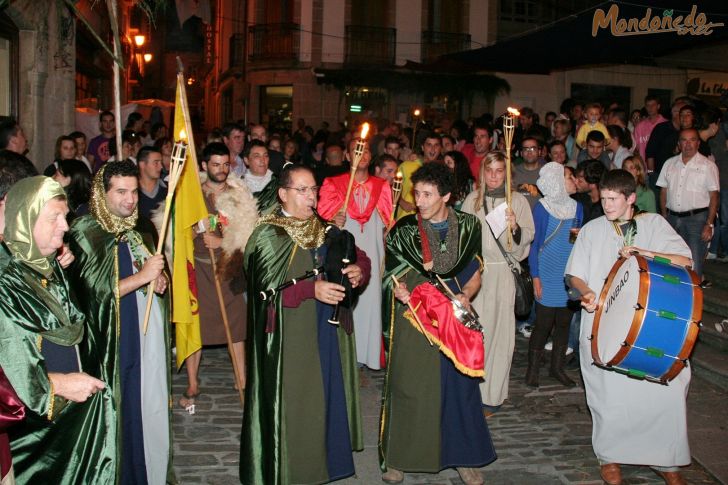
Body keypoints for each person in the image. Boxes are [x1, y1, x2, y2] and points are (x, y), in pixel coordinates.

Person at [240, 164, 370, 484]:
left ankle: (327, 464)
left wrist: (357, 270)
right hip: (289, 336)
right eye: (302, 190)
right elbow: (263, 293)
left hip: (326, 330)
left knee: (325, 397)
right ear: (283, 194)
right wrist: (310, 290)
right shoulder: (268, 235)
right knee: (297, 402)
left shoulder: (322, 229)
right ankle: (294, 470)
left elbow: (356, 254)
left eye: (314, 190)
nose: (311, 196)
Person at [565, 169, 693, 485]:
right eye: (604, 198)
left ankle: (665, 459)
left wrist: (645, 252)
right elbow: (573, 275)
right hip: (603, 324)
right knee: (610, 395)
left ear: (631, 198)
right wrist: (586, 292)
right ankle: (611, 456)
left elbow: (685, 261)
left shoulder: (653, 224)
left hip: (647, 324)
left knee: (662, 391)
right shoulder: (592, 230)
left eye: (613, 199)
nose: (606, 205)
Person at [380, 162, 495, 485]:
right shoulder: (404, 229)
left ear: (446, 195)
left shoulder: (469, 226)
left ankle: (464, 458)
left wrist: (468, 294)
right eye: (416, 193)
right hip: (415, 317)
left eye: (427, 194)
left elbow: (475, 270)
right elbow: (392, 272)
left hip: (452, 317)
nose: (419, 201)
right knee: (410, 385)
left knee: (458, 388)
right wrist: (398, 288)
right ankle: (400, 456)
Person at [0, 176, 114, 483]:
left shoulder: (45, 266)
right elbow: (11, 361)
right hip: (32, 431)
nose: (64, 227)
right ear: (25, 220)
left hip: (66, 421)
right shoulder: (6, 280)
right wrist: (56, 385)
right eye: (54, 217)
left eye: (65, 217)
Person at [68, 160, 173, 484]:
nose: (130, 200)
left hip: (142, 335)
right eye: (121, 192)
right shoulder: (86, 231)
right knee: (120, 406)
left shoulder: (134, 228)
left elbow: (149, 272)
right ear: (103, 192)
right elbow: (92, 295)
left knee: (143, 405)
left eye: (134, 192)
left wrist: (159, 282)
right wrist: (142, 278)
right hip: (110, 340)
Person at [179, 141, 258, 410]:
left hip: (227, 269)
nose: (222, 170)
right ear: (204, 166)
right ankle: (192, 382)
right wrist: (196, 228)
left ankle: (242, 379)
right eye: (216, 164)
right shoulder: (191, 195)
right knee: (195, 325)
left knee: (236, 326)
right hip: (199, 269)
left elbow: (247, 234)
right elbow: (177, 236)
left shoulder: (238, 194)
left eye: (226, 164)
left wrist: (222, 243)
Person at [461, 151, 534, 412]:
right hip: (476, 274)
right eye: (489, 170)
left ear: (507, 173)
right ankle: (471, 391)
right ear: (482, 172)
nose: (494, 176)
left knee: (500, 337)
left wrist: (514, 228)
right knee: (476, 333)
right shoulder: (472, 200)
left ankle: (491, 394)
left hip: (503, 273)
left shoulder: (519, 203)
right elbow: (463, 240)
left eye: (499, 171)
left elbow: (522, 245)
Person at [318, 137, 393, 370]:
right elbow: (322, 222)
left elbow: (386, 223)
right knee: (345, 299)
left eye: (367, 150)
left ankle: (365, 356)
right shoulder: (333, 183)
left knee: (369, 303)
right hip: (345, 250)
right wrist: (331, 219)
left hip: (371, 249)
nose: (362, 154)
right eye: (356, 151)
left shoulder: (382, 186)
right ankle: (343, 355)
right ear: (348, 157)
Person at [525, 162, 583, 388]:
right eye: (569, 176)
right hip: (546, 274)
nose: (574, 180)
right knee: (543, 323)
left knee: (564, 322)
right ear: (557, 181)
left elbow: (577, 242)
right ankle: (532, 370)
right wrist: (536, 276)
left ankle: (556, 368)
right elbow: (535, 243)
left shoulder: (577, 207)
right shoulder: (542, 207)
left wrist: (577, 273)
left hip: (567, 273)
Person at [657, 128, 719, 279]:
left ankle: (694, 297)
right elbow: (663, 191)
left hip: (697, 220)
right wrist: (664, 216)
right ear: (679, 143)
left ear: (698, 143)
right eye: (684, 140)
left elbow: (714, 197)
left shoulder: (708, 166)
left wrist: (709, 224)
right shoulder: (669, 163)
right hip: (672, 218)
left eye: (692, 140)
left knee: (694, 261)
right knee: (671, 259)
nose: (688, 144)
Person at [136, 146, 167, 219]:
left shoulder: (168, 190)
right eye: (156, 163)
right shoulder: (132, 193)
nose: (161, 167)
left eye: (161, 162)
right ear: (142, 165)